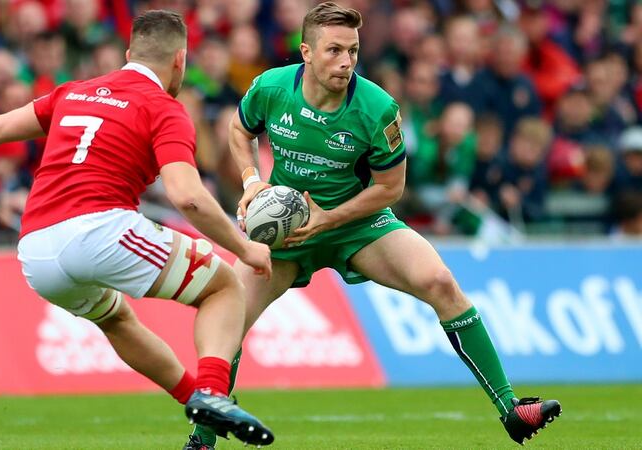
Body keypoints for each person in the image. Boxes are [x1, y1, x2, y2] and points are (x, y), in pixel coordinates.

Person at [0, 10, 275, 447]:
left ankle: (195, 405)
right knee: (224, 287)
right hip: (98, 230)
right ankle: (214, 394)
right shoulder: (165, 108)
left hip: (35, 250)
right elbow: (190, 197)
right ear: (180, 60)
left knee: (118, 320)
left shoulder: (75, 91)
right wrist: (245, 246)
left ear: (128, 54)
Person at [184, 3, 561, 449]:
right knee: (226, 316)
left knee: (440, 282)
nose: (346, 61)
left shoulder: (378, 108)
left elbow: (389, 188)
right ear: (306, 51)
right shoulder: (271, 88)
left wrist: (329, 218)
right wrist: (251, 182)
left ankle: (511, 409)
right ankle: (204, 439)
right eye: (334, 50)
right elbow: (239, 129)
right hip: (286, 230)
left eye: (353, 51)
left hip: (355, 223)